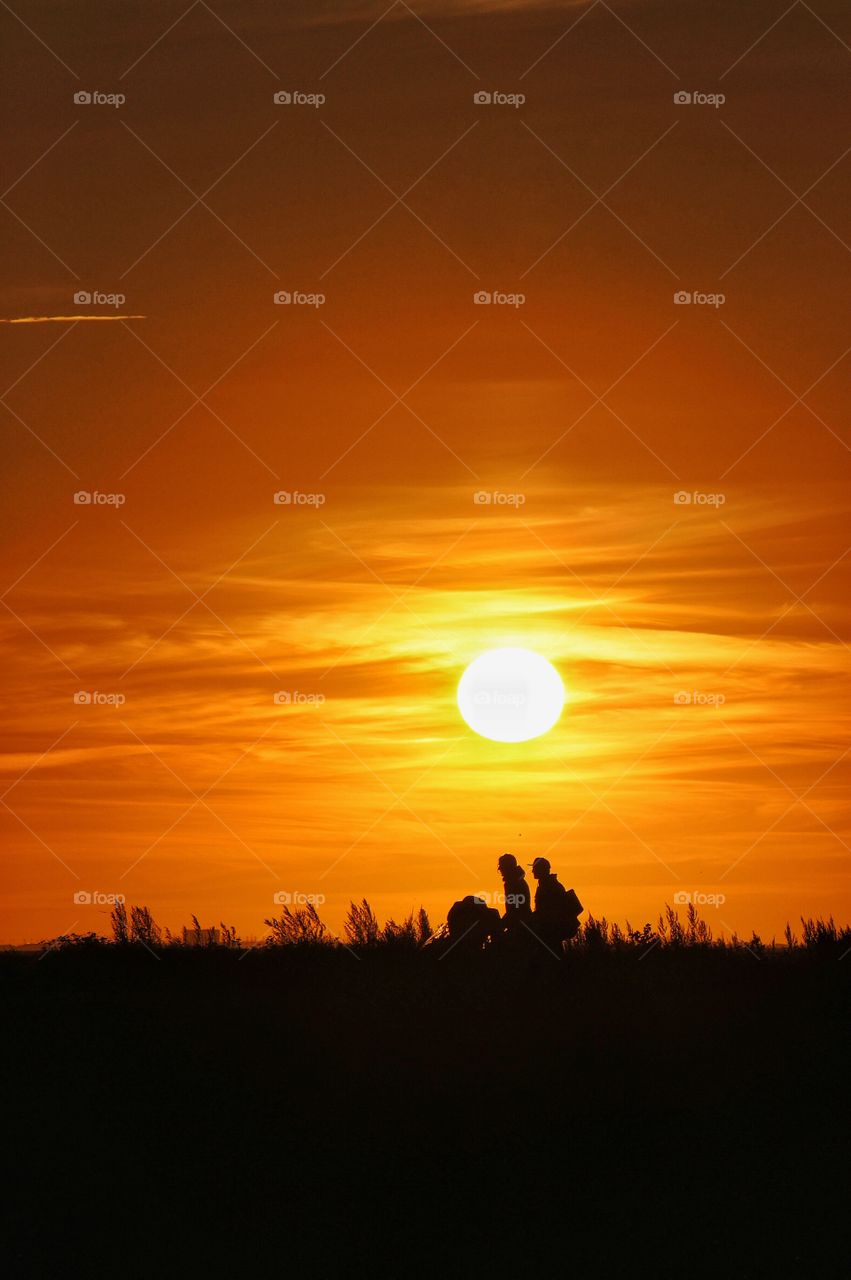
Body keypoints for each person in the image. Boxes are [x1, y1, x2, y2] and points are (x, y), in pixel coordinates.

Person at [530, 857, 583, 954]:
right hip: (550, 929)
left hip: (551, 929)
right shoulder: (547, 885)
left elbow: (549, 910)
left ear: (542, 870)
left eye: (535, 868)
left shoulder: (550, 886)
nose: (532, 871)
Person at [497, 853, 532, 935]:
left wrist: (500, 925)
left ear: (507, 867)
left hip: (520, 928)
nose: (499, 868)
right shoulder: (515, 881)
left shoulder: (514, 883)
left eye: (501, 866)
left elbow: (515, 911)